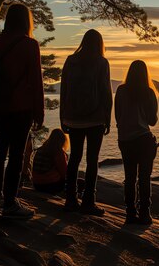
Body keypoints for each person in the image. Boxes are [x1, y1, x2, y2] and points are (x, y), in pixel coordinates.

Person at [0, 3, 44, 220]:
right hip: (21, 107)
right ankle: (10, 202)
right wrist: (39, 112)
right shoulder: (30, 45)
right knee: (17, 155)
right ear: (26, 21)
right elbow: (36, 81)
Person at [60, 29, 112, 215]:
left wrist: (62, 117)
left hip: (72, 118)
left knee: (74, 158)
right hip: (95, 118)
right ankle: (88, 201)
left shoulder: (70, 61)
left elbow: (64, 90)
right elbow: (106, 92)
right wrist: (108, 118)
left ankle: (70, 199)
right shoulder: (101, 62)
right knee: (92, 160)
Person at [114, 60, 159, 224]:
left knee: (130, 178)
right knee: (144, 178)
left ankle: (130, 213)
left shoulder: (120, 90)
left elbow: (118, 117)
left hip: (125, 140)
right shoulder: (148, 92)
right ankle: (144, 213)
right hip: (143, 139)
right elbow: (152, 121)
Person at [31, 129, 68, 194]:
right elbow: (64, 173)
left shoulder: (41, 149)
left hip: (36, 184)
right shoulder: (58, 152)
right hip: (50, 185)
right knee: (80, 182)